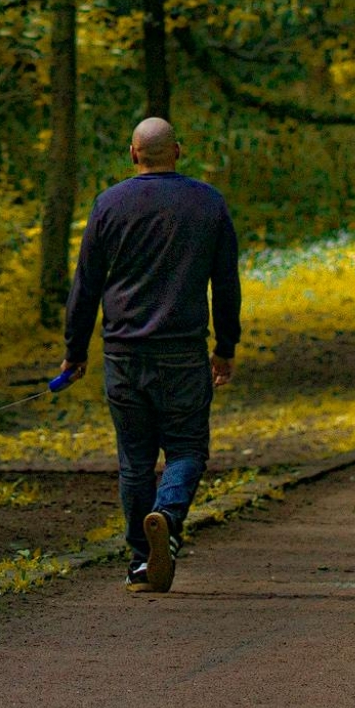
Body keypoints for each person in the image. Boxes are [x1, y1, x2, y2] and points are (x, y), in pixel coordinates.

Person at [57, 117, 241, 594]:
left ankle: (142, 558)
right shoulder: (208, 203)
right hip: (183, 351)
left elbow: (87, 285)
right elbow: (225, 284)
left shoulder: (109, 204)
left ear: (134, 153)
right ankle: (169, 514)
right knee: (187, 450)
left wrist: (75, 351)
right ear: (177, 151)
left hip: (123, 353)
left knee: (135, 461)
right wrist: (225, 346)